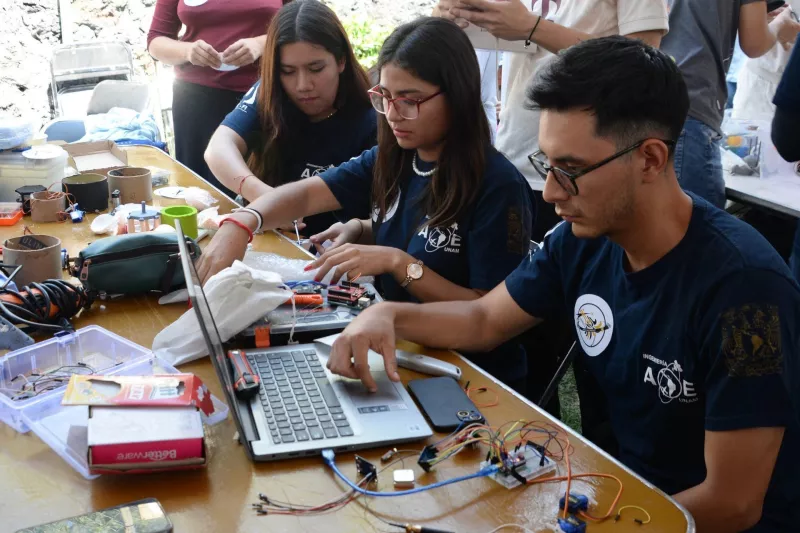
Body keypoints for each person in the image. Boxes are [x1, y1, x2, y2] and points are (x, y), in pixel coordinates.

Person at [329, 37, 800, 532]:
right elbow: (486, 319)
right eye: (547, 165)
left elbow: (733, 503)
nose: (551, 193)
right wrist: (386, 315)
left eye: (571, 171)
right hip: (612, 493)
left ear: (651, 159)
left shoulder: (745, 292)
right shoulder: (583, 239)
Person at [197, 17, 536, 392]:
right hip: (395, 348)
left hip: (467, 375)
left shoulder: (497, 185)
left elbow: (485, 311)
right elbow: (309, 193)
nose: (392, 114)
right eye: (385, 97)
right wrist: (246, 219)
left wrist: (397, 262)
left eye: (410, 100)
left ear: (457, 95)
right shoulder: (396, 157)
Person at [203, 0, 376, 237]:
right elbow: (218, 147)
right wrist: (265, 198)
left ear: (341, 61)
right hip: (267, 238)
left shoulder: (373, 119)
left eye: (316, 69)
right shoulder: (269, 92)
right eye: (288, 71)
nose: (303, 85)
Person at [660, 0, 800, 208]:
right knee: (701, 225)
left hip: (652, 100)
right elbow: (755, 42)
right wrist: (780, 25)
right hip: (694, 105)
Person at [147, 0, 283, 190]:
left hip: (261, 95)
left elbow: (302, 25)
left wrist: (261, 44)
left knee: (263, 183)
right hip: (195, 100)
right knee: (199, 189)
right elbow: (155, 41)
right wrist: (188, 51)